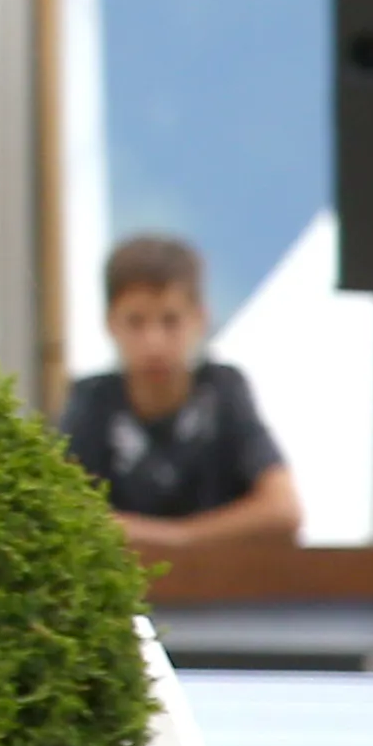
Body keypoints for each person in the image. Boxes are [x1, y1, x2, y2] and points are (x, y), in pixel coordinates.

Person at [59, 231, 301, 554]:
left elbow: (284, 510)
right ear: (110, 325)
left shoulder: (223, 391)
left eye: (170, 321)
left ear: (200, 320)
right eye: (136, 322)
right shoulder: (91, 401)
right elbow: (57, 509)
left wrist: (175, 539)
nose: (154, 342)